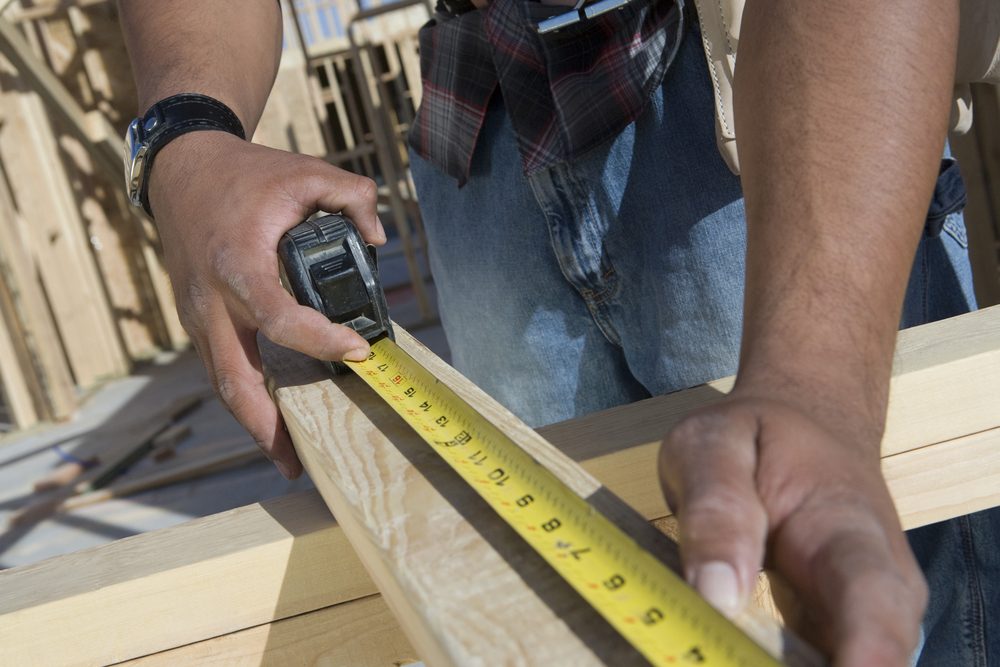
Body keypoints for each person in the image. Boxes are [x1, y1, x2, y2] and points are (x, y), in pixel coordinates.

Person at [117, 0, 997, 664]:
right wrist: (186, 133)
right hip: (480, 114)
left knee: (883, 604)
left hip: (765, 87)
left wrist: (819, 379)